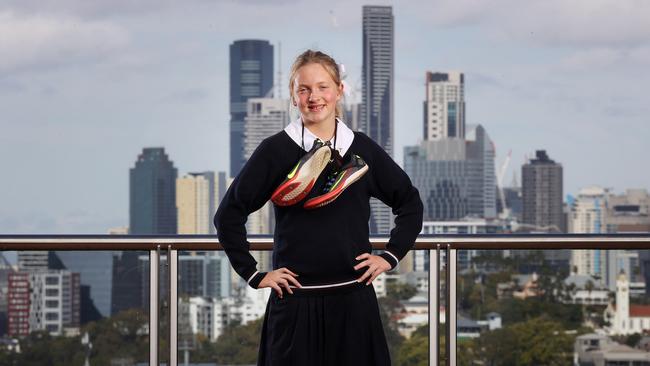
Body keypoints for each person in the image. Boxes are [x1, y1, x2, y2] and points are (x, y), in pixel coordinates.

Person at [214, 49, 423, 366]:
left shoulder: (361, 148)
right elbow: (228, 216)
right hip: (294, 302)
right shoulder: (275, 150)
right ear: (293, 96)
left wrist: (389, 257)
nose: (314, 97)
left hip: (354, 299)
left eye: (323, 87)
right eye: (304, 89)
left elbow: (409, 203)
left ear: (339, 91)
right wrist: (254, 274)